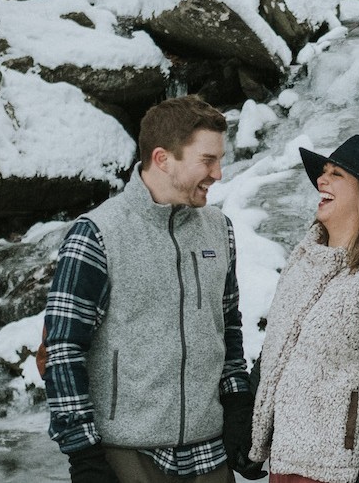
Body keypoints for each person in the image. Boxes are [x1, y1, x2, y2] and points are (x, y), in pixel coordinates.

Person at [43, 95, 266, 483]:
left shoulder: (220, 228)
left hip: (210, 454)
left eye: (220, 160)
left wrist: (236, 405)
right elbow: (63, 350)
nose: (218, 173)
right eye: (208, 160)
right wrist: (84, 454)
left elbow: (227, 325)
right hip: (128, 457)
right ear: (163, 159)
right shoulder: (96, 234)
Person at [250, 135, 359, 483]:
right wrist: (251, 435)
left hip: (337, 471)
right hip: (284, 462)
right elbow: (273, 355)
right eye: (322, 172)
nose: (320, 181)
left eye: (336, 174)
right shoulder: (303, 265)